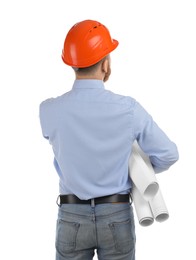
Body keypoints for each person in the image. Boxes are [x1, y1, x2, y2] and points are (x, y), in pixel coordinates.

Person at [39, 19, 179, 260]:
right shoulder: (128, 109)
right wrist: (132, 171)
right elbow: (169, 154)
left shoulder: (49, 110)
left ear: (72, 65)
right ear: (106, 64)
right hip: (116, 215)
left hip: (72, 217)